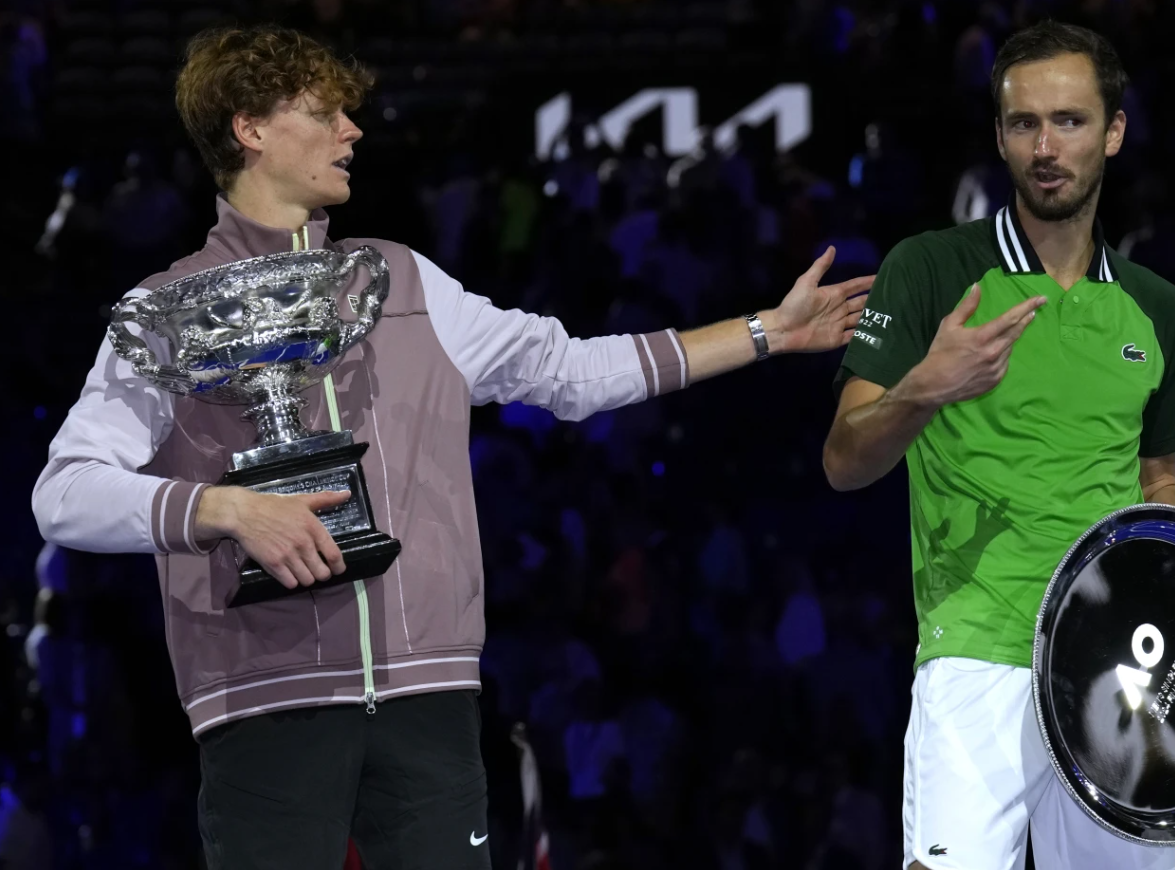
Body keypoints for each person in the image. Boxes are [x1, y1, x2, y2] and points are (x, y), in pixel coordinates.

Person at [29, 26, 872, 870]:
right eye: (324, 113)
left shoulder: (400, 280)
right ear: (249, 129)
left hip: (427, 698)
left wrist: (765, 331)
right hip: (260, 703)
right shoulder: (166, 310)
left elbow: (571, 372)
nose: (353, 131)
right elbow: (64, 492)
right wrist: (224, 510)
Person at [822, 21, 1175, 870]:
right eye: (1024, 124)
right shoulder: (932, 270)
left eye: (1069, 121)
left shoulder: (1154, 305)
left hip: (1118, 674)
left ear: (1114, 132)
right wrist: (926, 385)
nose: (1045, 146)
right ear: (998, 135)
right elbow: (844, 459)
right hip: (975, 660)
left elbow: (1155, 484)